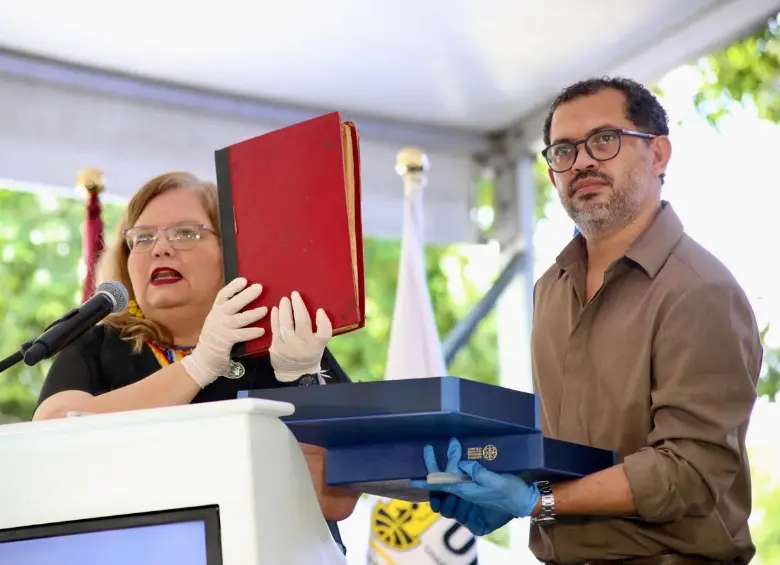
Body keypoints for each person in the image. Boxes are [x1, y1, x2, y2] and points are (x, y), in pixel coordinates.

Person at [411, 77, 762, 564]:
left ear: (658, 155)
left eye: (604, 140)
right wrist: (502, 492)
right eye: (563, 150)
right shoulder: (550, 289)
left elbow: (691, 471)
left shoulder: (700, 290)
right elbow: (566, 455)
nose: (582, 162)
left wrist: (539, 503)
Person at [33, 171, 360, 554]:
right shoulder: (99, 343)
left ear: (233, 252)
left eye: (186, 233)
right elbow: (51, 437)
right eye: (143, 237)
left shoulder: (286, 339)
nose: (161, 249)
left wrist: (301, 380)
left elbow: (336, 500)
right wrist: (198, 366)